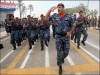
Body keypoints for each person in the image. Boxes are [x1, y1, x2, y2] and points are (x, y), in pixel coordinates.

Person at [45, 3, 76, 74]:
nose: (58, 9)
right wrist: (50, 10)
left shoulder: (68, 16)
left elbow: (73, 25)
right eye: (58, 7)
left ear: (63, 8)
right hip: (58, 37)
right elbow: (46, 18)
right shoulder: (55, 16)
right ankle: (60, 67)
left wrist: (70, 32)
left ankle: (61, 58)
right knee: (59, 53)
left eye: (60, 7)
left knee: (66, 52)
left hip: (66, 37)